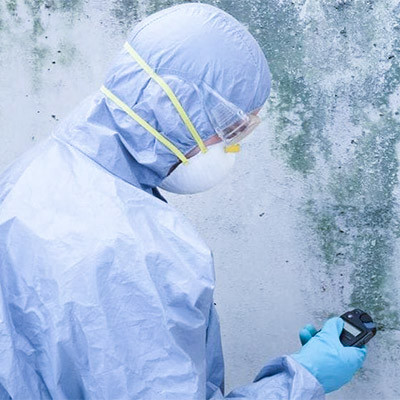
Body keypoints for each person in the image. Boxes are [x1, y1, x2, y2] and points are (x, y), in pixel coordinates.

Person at [0, 4, 366, 399]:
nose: (229, 148)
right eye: (229, 130)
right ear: (173, 108)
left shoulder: (34, 172)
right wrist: (302, 378)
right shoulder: (136, 251)